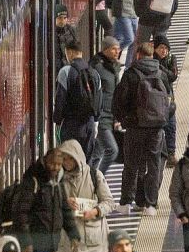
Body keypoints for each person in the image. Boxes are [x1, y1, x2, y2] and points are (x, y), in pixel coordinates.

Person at [112, 43, 170, 216]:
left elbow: (118, 102)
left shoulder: (131, 74)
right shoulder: (161, 74)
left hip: (135, 127)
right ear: (152, 56)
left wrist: (124, 120)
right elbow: (169, 102)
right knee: (153, 165)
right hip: (156, 129)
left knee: (131, 165)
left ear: (138, 55)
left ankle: (125, 203)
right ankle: (150, 205)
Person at [53, 43, 102, 158]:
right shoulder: (94, 73)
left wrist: (57, 120)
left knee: (69, 160)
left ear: (70, 52)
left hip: (70, 124)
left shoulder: (65, 72)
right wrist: (95, 121)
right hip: (89, 124)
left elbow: (60, 98)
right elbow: (99, 101)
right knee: (85, 162)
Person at [89, 36, 123, 175]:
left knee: (97, 154)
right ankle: (98, 181)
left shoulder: (114, 66)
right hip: (101, 116)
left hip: (110, 115)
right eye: (113, 49)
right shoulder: (97, 66)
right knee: (112, 151)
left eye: (118, 49)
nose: (117, 52)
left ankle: (90, 181)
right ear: (105, 50)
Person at [153, 35, 179, 167]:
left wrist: (160, 68)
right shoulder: (150, 60)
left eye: (166, 48)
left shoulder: (170, 59)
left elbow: (173, 76)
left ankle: (171, 153)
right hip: (155, 99)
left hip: (168, 98)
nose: (164, 51)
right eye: (161, 48)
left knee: (171, 126)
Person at [54, 4, 80, 73]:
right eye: (59, 18)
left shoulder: (71, 30)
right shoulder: (50, 32)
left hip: (69, 67)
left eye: (65, 18)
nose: (62, 21)